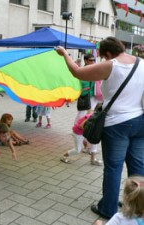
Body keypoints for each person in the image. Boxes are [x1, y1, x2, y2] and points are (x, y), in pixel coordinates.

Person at [56, 37, 144, 219]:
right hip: (140, 121)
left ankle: (108, 208)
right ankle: (137, 206)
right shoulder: (142, 63)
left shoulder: (112, 65)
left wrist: (64, 53)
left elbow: (78, 72)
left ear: (108, 54)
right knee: (138, 168)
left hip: (117, 124)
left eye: (104, 56)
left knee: (113, 167)